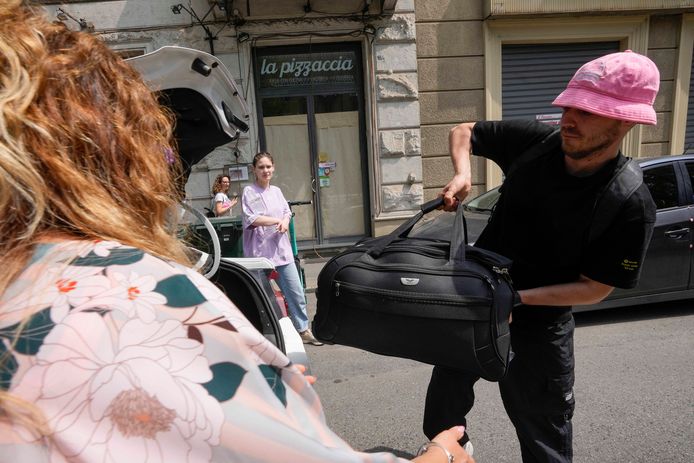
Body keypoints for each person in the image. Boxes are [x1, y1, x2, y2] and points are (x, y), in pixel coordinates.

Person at [0, 3, 474, 463]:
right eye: (160, 154)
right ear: (119, 156)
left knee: (291, 293)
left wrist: (259, 392)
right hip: (262, 256)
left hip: (277, 256)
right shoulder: (129, 298)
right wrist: (442, 456)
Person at [423, 50, 659, 462]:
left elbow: (594, 288)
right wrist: (463, 173)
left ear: (625, 121)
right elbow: (465, 131)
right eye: (570, 103)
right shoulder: (538, 142)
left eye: (588, 111)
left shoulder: (630, 202)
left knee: (543, 441)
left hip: (539, 330)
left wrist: (516, 299)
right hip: (474, 308)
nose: (569, 117)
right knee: (442, 422)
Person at [241, 152, 323, 346]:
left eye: (268, 166)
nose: (265, 170)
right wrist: (276, 220)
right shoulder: (249, 192)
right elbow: (252, 219)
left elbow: (287, 211)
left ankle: (302, 329)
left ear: (273, 168)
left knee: (295, 293)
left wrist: (285, 220)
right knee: (262, 298)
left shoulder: (276, 191)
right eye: (261, 167)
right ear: (254, 170)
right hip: (259, 255)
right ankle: (268, 335)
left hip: (282, 252)